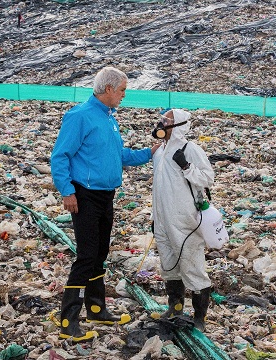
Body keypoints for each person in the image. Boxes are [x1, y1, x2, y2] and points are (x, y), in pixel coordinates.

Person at [51, 66, 160, 342]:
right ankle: (68, 321)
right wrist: (67, 191)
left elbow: (118, 154)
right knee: (86, 256)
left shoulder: (109, 118)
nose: (124, 95)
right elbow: (60, 156)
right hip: (84, 195)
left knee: (100, 253)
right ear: (109, 89)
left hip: (106, 195)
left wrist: (149, 153)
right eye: (122, 90)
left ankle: (97, 309)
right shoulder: (79, 116)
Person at [151, 108, 215, 331]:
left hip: (184, 219)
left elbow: (208, 178)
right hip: (162, 219)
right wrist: (155, 217)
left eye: (166, 121)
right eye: (161, 120)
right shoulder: (160, 151)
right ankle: (175, 306)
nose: (161, 124)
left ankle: (199, 318)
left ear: (178, 126)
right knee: (169, 264)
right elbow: (158, 187)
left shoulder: (190, 149)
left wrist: (187, 167)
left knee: (191, 264)